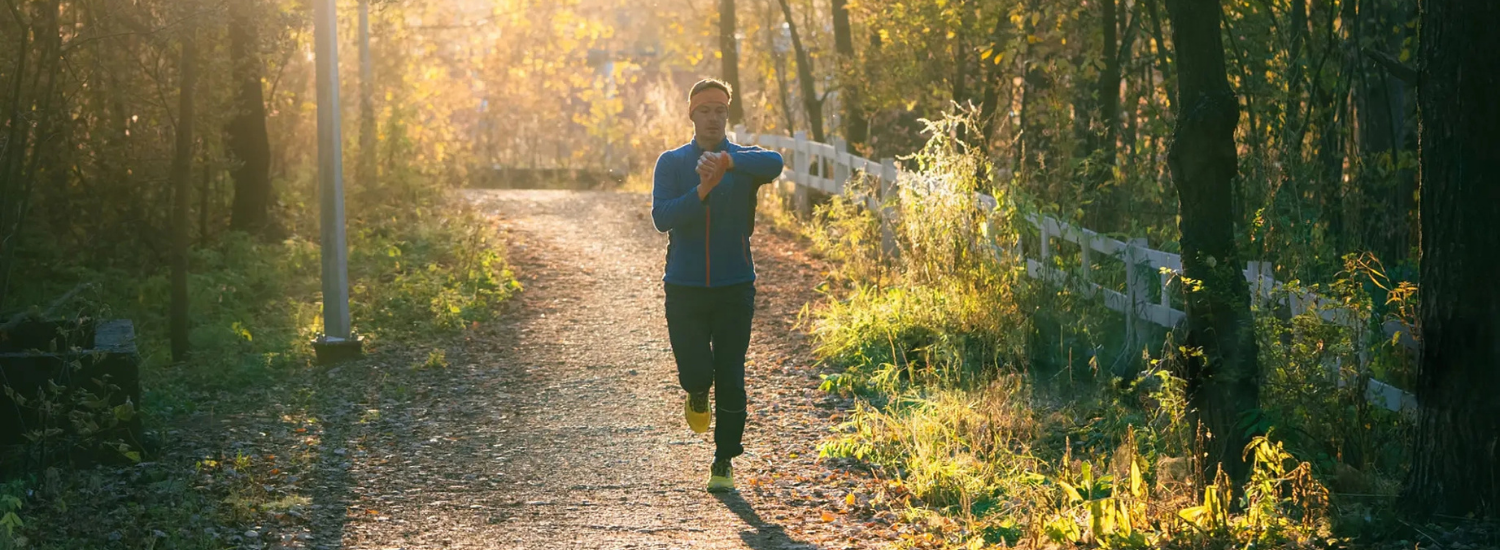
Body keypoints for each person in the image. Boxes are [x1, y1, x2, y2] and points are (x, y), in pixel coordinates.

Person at [650, 78, 784, 493]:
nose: (713, 117)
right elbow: (662, 217)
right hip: (685, 286)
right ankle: (695, 391)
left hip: (734, 286)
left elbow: (775, 162)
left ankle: (724, 458)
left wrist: (728, 164)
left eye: (721, 110)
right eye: (705, 110)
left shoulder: (744, 160)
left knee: (731, 372)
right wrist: (703, 189)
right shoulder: (671, 163)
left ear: (728, 115)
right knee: (696, 372)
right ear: (692, 114)